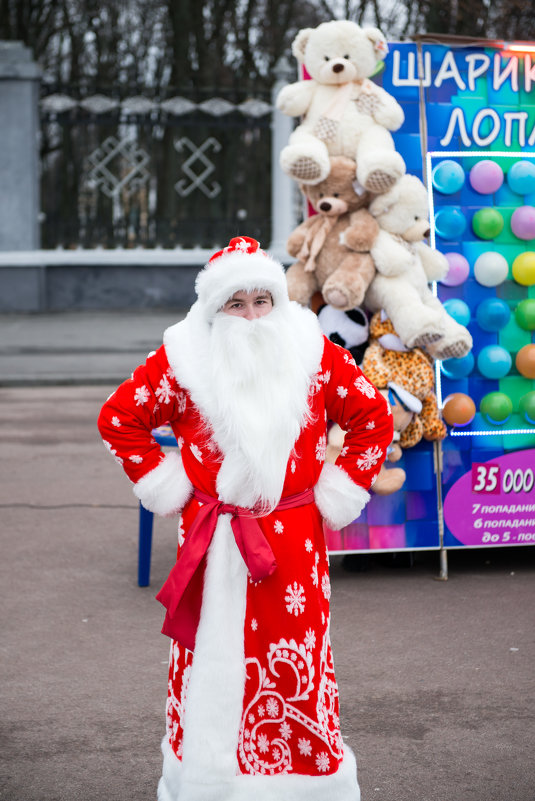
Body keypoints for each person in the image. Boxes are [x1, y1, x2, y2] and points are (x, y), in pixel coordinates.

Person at [98, 235, 393, 801]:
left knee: (294, 656)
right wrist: (168, 481)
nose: (253, 315)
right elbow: (119, 419)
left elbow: (373, 419)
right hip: (212, 543)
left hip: (295, 543)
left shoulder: (314, 353)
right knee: (207, 653)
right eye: (237, 304)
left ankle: (305, 785)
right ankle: (207, 781)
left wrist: (338, 490)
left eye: (264, 300)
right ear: (215, 310)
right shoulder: (181, 361)